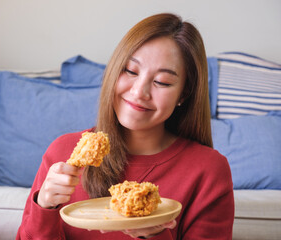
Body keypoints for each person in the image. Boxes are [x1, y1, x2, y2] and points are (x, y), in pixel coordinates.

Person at [16, 13, 234, 240]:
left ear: (184, 94)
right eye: (130, 71)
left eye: (162, 82)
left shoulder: (208, 170)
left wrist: (155, 235)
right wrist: (44, 208)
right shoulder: (63, 152)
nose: (139, 92)